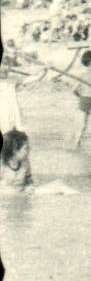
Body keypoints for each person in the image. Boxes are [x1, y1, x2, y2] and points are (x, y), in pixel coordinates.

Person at [0, 51, 37, 188]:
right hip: (1, 121)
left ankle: (27, 179)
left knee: (22, 148)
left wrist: (45, 69)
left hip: (15, 121)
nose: (4, 68)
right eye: (1, 65)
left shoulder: (12, 81)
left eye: (6, 65)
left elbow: (35, 78)